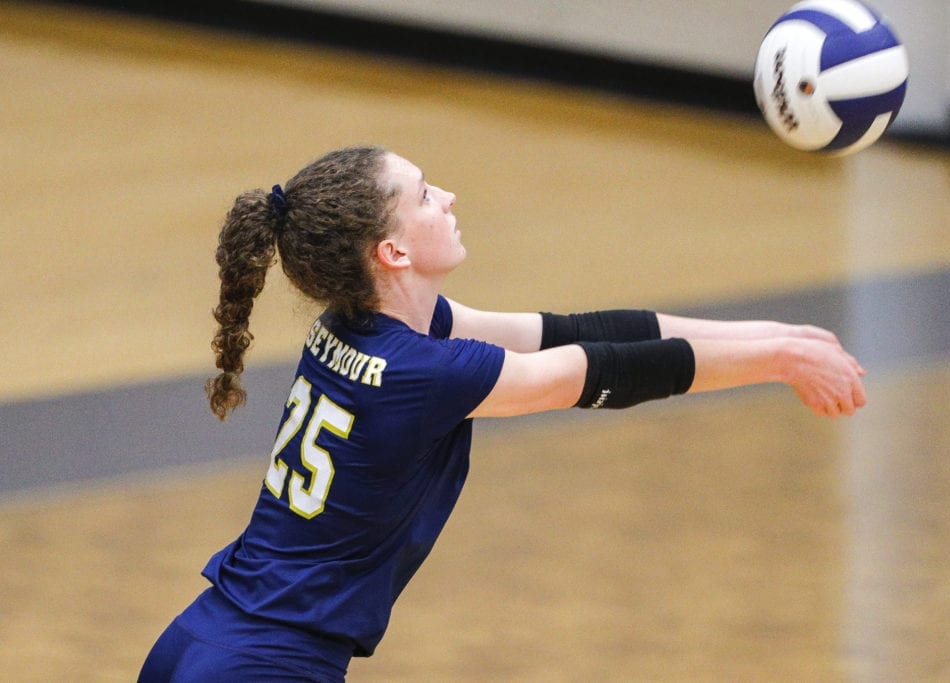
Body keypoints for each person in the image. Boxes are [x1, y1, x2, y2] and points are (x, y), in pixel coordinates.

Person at [138, 145, 866, 682]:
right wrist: (778, 363)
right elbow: (601, 372)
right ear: (391, 250)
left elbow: (575, 330)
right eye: (424, 195)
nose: (448, 196)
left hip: (200, 640)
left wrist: (777, 337)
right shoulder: (423, 372)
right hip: (265, 665)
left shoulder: (360, 323)